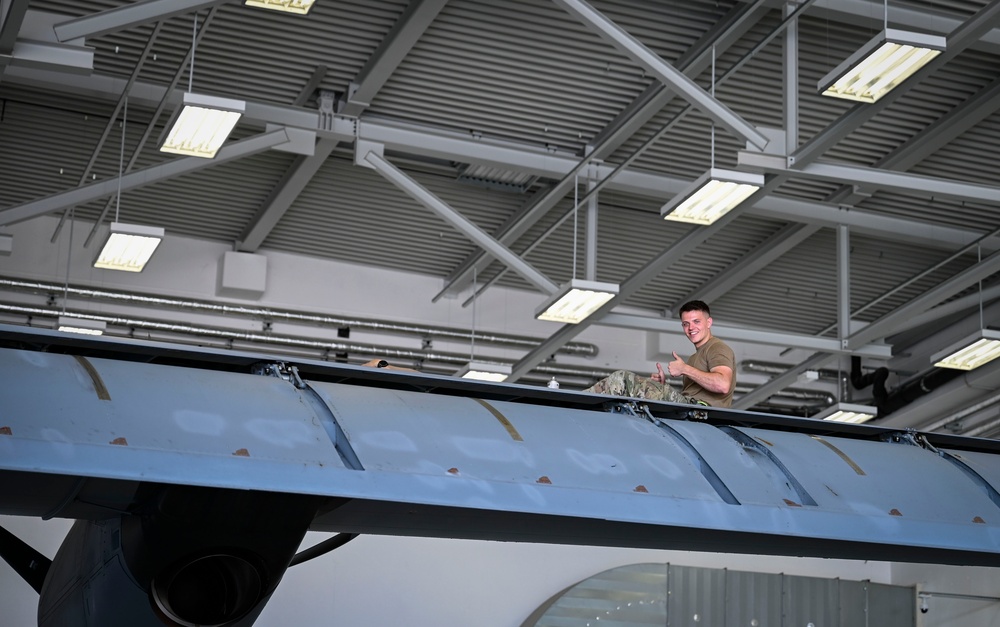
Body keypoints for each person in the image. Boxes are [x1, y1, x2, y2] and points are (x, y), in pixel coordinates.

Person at [584, 300, 736, 407]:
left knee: (623, 379)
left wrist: (684, 369)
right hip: (689, 406)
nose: (691, 328)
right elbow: (691, 394)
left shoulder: (717, 348)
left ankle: (576, 402)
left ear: (709, 322)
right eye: (686, 324)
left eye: (697, 321)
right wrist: (662, 387)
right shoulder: (694, 357)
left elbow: (722, 385)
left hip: (700, 410)